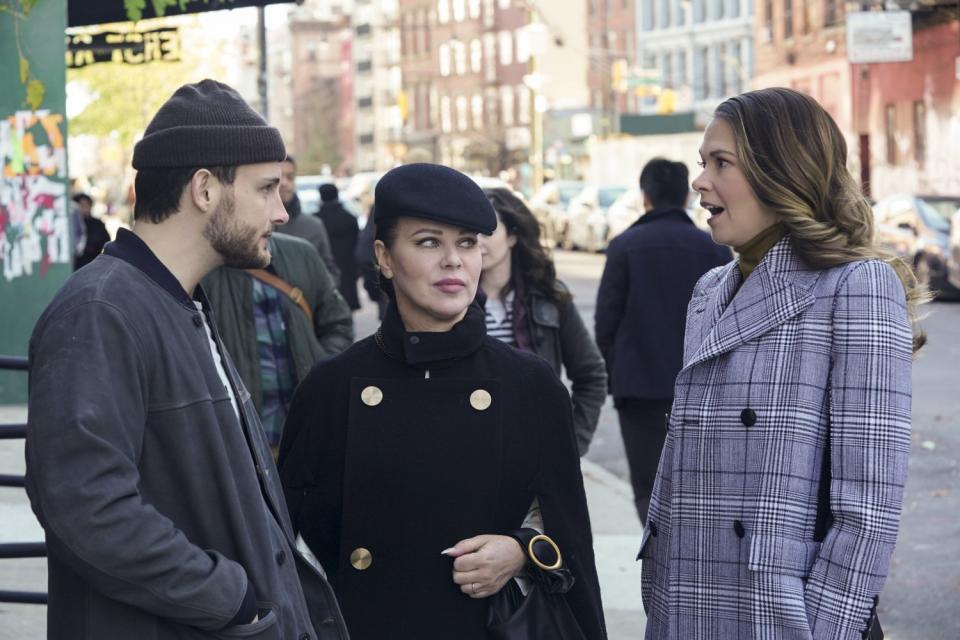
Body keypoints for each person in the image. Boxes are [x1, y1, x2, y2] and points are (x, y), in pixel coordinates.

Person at [24, 80, 348, 640]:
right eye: (266, 188)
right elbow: (87, 507)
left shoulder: (176, 302)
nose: (281, 210)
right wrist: (234, 598)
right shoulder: (102, 310)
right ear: (204, 188)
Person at [639, 87, 923, 640]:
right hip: (685, 600)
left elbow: (869, 505)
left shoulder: (856, 285)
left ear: (781, 172)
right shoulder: (709, 290)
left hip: (778, 612)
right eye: (703, 164)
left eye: (721, 163)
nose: (700, 182)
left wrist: (821, 627)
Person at [278, 163, 606, 640]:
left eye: (468, 243)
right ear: (385, 258)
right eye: (429, 242)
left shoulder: (528, 386)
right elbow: (284, 551)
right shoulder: (331, 386)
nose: (454, 261)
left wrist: (520, 550)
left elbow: (571, 542)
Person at [594, 158, 731, 521]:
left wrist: (616, 372)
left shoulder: (624, 246)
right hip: (702, 390)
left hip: (638, 387)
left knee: (648, 487)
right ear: (686, 197)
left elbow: (605, 320)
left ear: (645, 197)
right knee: (699, 488)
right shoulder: (715, 250)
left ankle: (657, 565)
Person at [480, 186, 607, 455]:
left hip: (534, 453)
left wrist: (572, 444)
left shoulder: (549, 296)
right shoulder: (453, 301)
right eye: (469, 233)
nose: (478, 241)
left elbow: (591, 374)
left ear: (513, 235)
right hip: (472, 452)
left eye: (488, 231)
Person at [202, 231, 353, 452]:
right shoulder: (203, 267)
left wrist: (320, 365)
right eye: (263, 194)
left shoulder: (302, 253)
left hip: (308, 430)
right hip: (244, 443)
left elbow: (337, 323)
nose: (280, 213)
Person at [278, 154, 341, 283]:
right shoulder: (256, 225)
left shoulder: (313, 226)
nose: (284, 183)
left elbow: (330, 272)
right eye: (278, 177)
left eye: (290, 177)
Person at [317, 183, 361, 310]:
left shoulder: (316, 220)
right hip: (347, 267)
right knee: (347, 306)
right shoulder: (349, 218)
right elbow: (357, 243)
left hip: (325, 269)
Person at [72, 192, 110, 270]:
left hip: (94, 264)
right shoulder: (72, 224)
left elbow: (105, 241)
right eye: (82, 205)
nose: (85, 208)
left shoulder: (97, 223)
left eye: (87, 205)